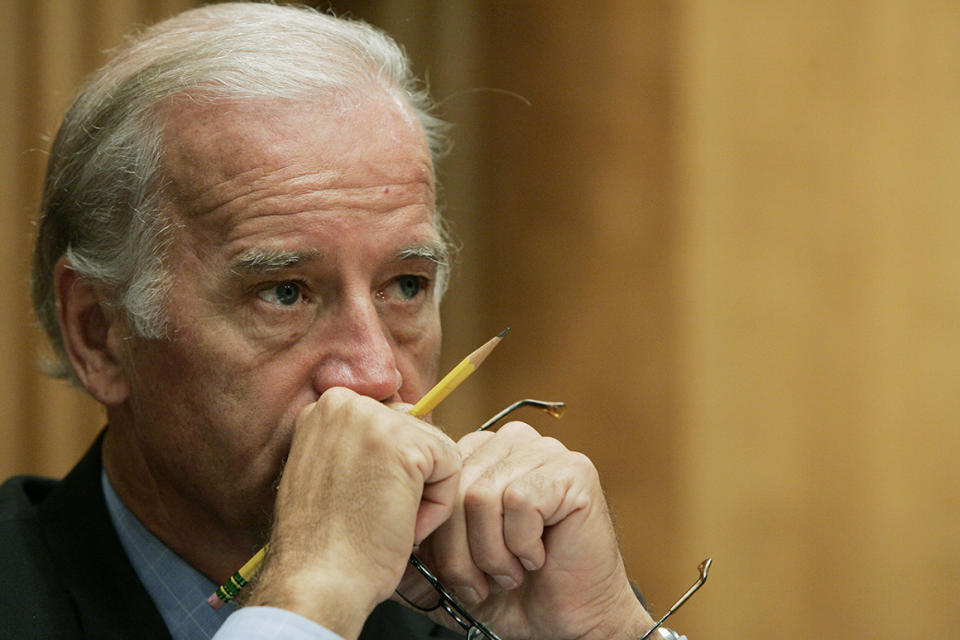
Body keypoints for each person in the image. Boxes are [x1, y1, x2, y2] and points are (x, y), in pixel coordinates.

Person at [0, 3, 677, 639]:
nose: (376, 375)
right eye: (285, 293)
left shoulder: (482, 598)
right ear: (101, 333)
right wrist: (307, 599)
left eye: (405, 286)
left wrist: (603, 629)